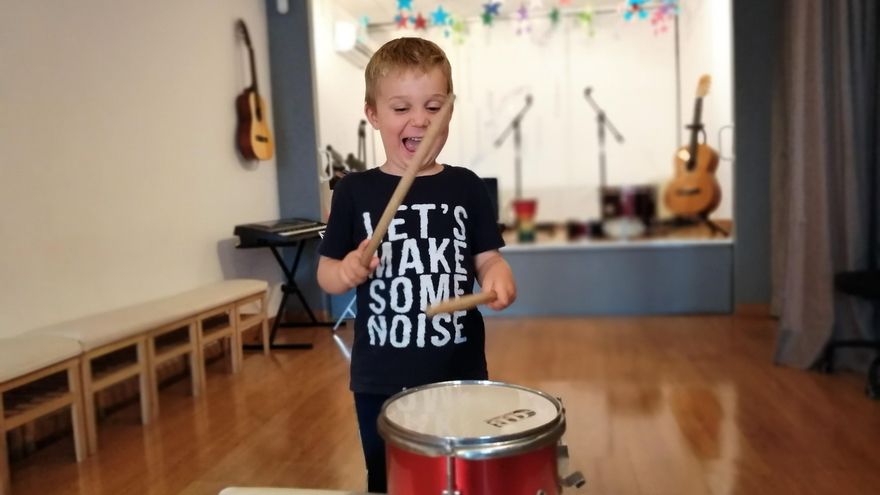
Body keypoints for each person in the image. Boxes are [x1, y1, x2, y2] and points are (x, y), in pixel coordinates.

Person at [316, 37, 517, 493]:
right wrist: (346, 270)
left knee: (460, 477)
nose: (419, 120)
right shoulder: (354, 191)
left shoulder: (466, 187)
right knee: (388, 478)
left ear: (448, 111)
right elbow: (325, 274)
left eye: (433, 106)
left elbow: (488, 258)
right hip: (379, 377)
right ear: (373, 115)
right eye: (401, 108)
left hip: (458, 370)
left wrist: (497, 277)